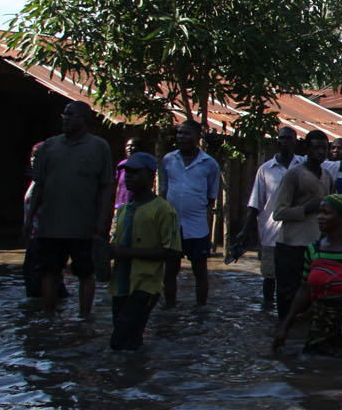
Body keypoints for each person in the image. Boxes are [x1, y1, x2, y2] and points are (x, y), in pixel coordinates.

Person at [25, 100, 115, 318]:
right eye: (64, 114)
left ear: (84, 120)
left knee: (86, 272)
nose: (65, 118)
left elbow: (106, 187)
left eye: (70, 114)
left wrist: (103, 221)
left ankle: (84, 317)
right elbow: (39, 186)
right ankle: (48, 318)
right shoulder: (49, 147)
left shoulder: (98, 147)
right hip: (50, 226)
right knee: (49, 272)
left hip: (83, 226)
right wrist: (28, 222)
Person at [272, 193, 342, 357]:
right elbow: (304, 290)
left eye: (326, 213)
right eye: (319, 212)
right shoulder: (313, 250)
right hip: (320, 325)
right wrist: (285, 326)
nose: (319, 217)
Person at [108, 152, 180, 352]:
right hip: (120, 285)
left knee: (119, 341)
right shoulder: (122, 211)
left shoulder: (163, 210)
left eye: (135, 172)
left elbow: (172, 252)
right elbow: (116, 246)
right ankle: (136, 377)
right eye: (127, 173)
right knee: (129, 343)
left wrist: (128, 253)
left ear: (150, 176)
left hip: (145, 286)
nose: (129, 177)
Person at [158, 118, 220, 308]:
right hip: (172, 227)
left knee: (200, 270)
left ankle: (201, 309)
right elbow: (164, 189)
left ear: (197, 137)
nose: (181, 137)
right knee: (170, 270)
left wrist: (196, 207)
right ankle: (170, 307)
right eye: (179, 133)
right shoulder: (169, 160)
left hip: (197, 227)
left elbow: (211, 196)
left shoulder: (209, 164)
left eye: (186, 133)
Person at [272, 130, 333, 314]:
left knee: (315, 293)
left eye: (324, 148)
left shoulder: (327, 176)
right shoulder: (294, 175)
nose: (321, 152)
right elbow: (278, 212)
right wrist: (307, 208)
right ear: (306, 149)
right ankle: (285, 334)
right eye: (316, 148)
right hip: (291, 245)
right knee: (288, 295)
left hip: (316, 245)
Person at [241, 127, 300, 309]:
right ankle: (267, 310)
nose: (285, 142)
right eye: (282, 139)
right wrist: (245, 230)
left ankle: (291, 313)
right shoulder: (265, 169)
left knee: (295, 277)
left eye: (289, 138)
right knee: (269, 276)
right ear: (277, 141)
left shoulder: (303, 166)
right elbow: (255, 203)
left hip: (297, 233)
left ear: (295, 141)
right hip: (271, 233)